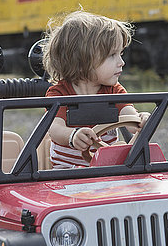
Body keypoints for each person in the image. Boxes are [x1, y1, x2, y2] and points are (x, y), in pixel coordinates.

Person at [42, 10, 150, 168]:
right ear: (81, 59)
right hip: (66, 173)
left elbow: (130, 121)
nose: (121, 62)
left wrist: (141, 120)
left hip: (105, 169)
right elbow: (54, 128)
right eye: (112, 55)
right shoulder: (59, 93)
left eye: (120, 54)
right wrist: (72, 136)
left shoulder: (114, 90)